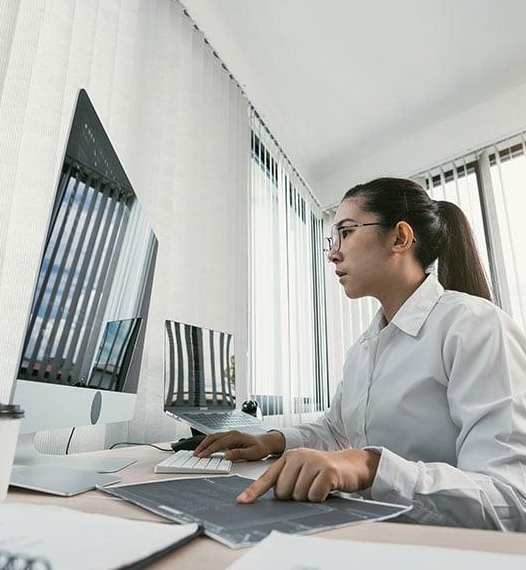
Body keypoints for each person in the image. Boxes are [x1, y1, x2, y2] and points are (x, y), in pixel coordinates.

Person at [194, 176, 526, 531]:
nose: (333, 252)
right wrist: (270, 440)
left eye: (347, 232)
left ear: (400, 237)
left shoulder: (474, 326)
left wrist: (369, 467)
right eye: (332, 239)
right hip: (365, 530)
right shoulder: (365, 347)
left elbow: (510, 500)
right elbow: (336, 430)